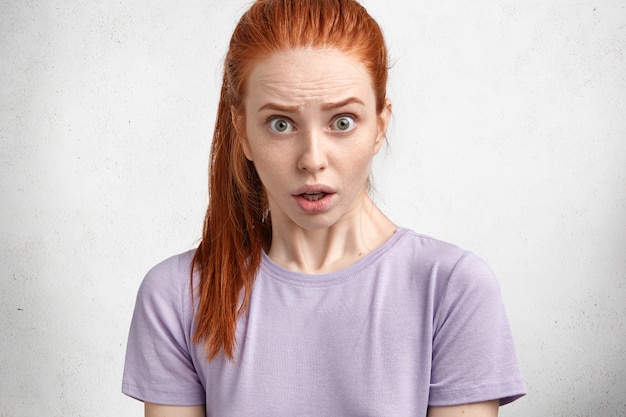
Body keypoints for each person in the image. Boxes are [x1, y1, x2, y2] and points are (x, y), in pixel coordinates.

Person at [122, 0, 526, 416]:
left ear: (380, 125)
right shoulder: (177, 295)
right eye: (281, 123)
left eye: (343, 121)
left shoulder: (451, 288)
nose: (312, 159)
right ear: (241, 132)